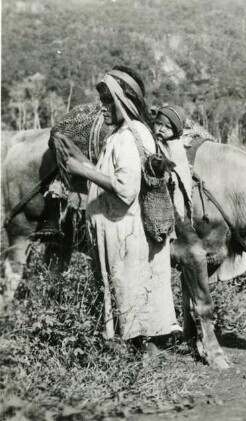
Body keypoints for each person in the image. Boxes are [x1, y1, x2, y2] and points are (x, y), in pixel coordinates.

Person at [54, 66, 179, 353]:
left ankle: (144, 354)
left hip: (127, 232)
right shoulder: (125, 133)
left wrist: (80, 170)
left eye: (109, 101)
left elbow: (125, 189)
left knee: (132, 290)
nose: (103, 108)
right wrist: (80, 162)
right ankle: (137, 351)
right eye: (102, 101)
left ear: (125, 102)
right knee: (131, 291)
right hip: (124, 231)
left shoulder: (129, 135)